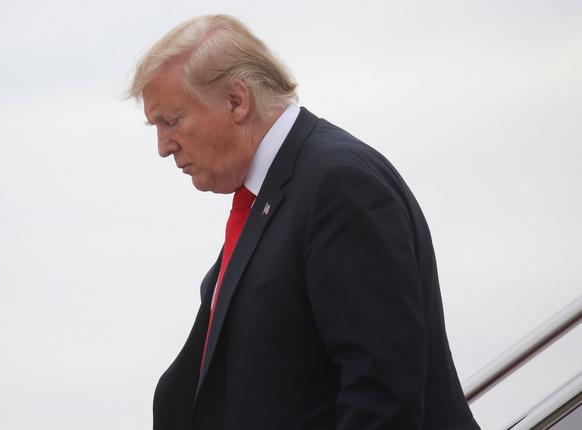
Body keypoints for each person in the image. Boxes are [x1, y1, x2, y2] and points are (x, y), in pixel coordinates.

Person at [127, 14, 480, 430]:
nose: (163, 147)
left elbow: (381, 390)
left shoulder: (338, 183)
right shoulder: (277, 194)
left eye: (172, 120)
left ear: (237, 101)